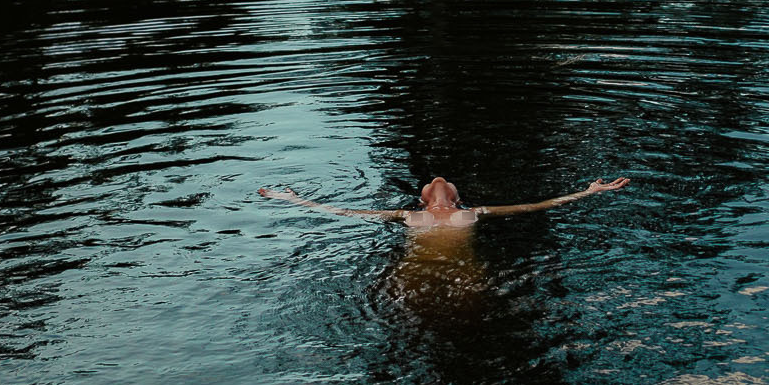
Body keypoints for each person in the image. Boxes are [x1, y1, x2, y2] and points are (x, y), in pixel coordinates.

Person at [258, 175, 629, 229]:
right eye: (433, 183)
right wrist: (293, 199)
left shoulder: (407, 215)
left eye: (444, 182)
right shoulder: (470, 212)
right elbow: (342, 212)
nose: (437, 181)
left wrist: (589, 192)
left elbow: (537, 206)